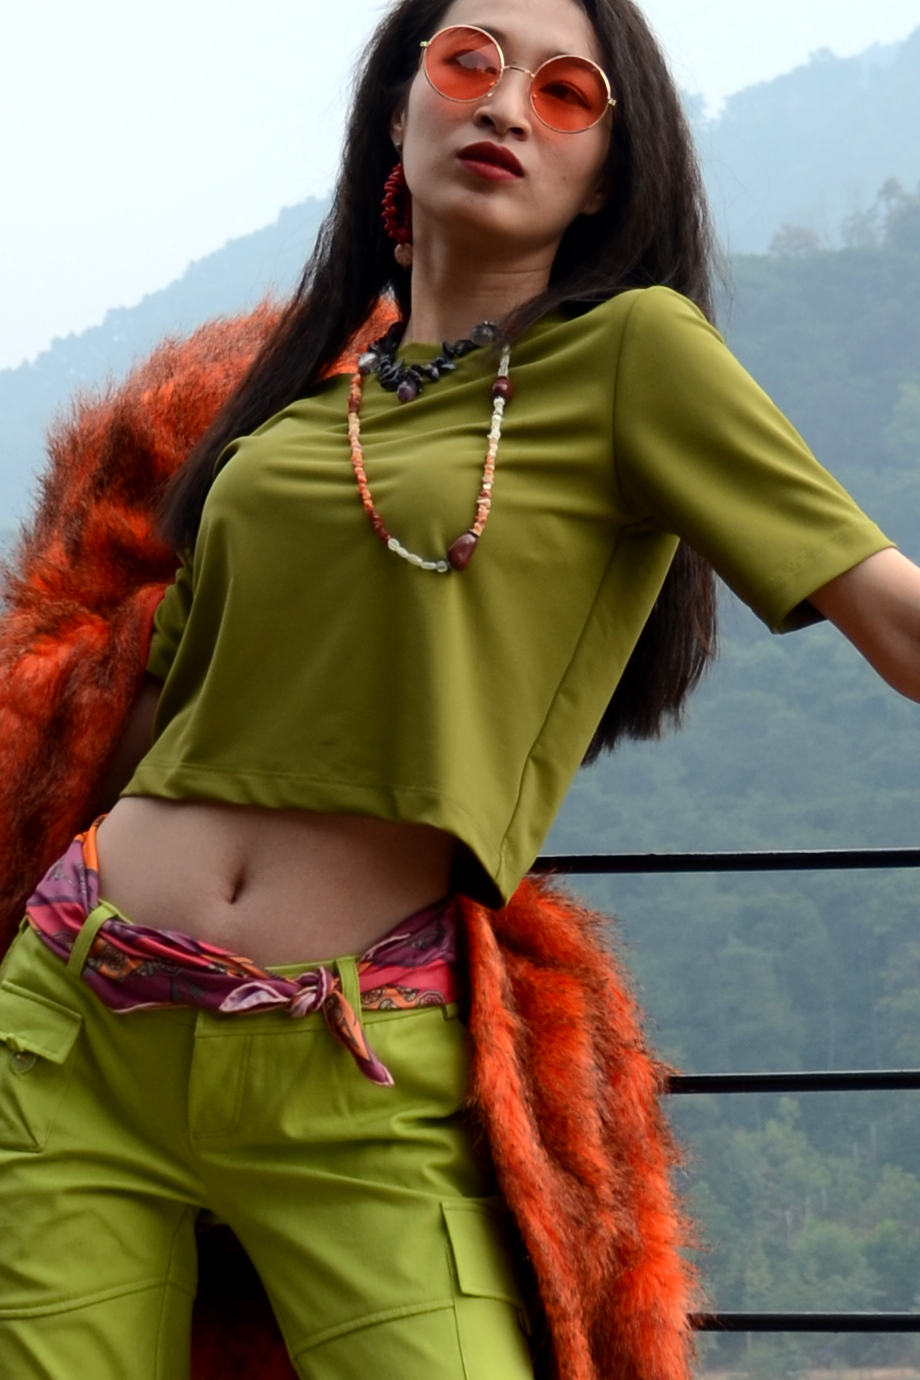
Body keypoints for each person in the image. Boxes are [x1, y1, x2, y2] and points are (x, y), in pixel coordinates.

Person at [1, 0, 919, 1376]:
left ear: (605, 176)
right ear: (399, 108)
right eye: (468, 61)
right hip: (80, 1015)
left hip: (352, 1064)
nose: (503, 104)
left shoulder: (634, 357)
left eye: (565, 93)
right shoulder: (292, 415)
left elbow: (896, 620)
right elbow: (144, 712)